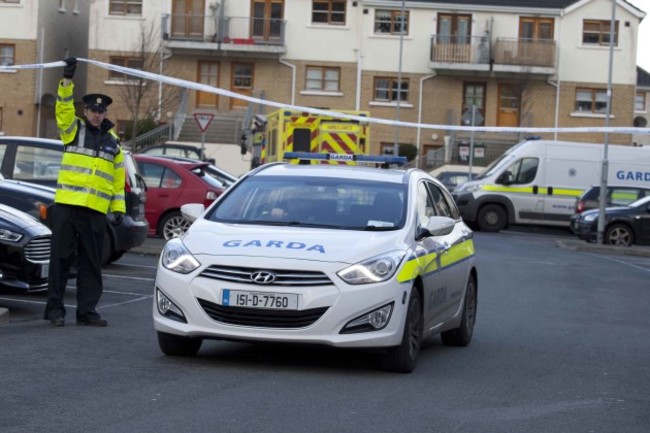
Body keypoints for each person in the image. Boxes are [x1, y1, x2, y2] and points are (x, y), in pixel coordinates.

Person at [43, 57, 126, 327]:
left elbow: (117, 178)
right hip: (68, 204)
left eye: (100, 112)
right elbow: (63, 107)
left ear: (105, 114)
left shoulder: (114, 143)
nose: (96, 114)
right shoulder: (72, 130)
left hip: (96, 210)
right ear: (86, 110)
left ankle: (87, 311)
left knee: (91, 263)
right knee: (61, 258)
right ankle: (55, 310)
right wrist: (67, 79)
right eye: (92, 110)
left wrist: (118, 210)